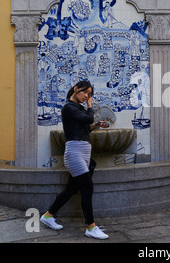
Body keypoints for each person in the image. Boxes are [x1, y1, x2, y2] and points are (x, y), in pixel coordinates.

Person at [40, 80, 110, 239]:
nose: (87, 96)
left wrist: (98, 124)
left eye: (90, 95)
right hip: (74, 153)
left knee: (71, 189)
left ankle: (48, 216)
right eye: (85, 92)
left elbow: (86, 127)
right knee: (87, 186)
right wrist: (91, 107)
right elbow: (87, 119)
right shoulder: (68, 107)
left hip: (84, 152)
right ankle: (90, 227)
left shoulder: (78, 109)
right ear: (76, 89)